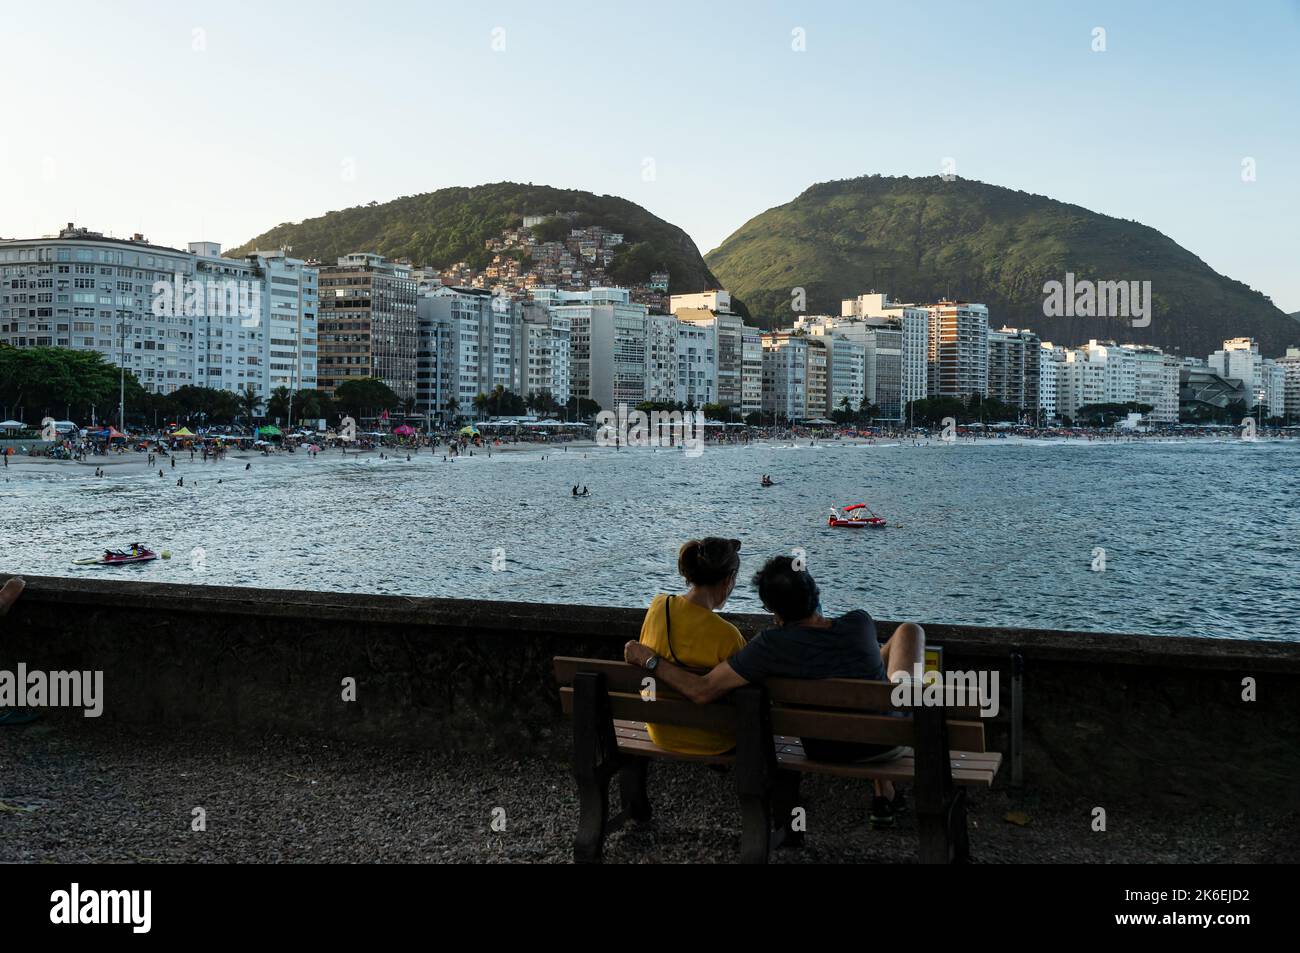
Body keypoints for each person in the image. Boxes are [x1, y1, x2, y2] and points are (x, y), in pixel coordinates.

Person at [624, 555, 926, 827]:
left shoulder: (770, 646)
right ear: (815, 593)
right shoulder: (860, 623)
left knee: (868, 675)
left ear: (773, 612)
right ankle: (883, 787)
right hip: (889, 742)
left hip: (823, 747)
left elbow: (702, 690)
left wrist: (649, 660)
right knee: (910, 631)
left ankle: (883, 786)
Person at [635, 538, 746, 755]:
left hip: (661, 731)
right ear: (728, 579)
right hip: (713, 740)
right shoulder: (728, 636)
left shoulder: (658, 607)